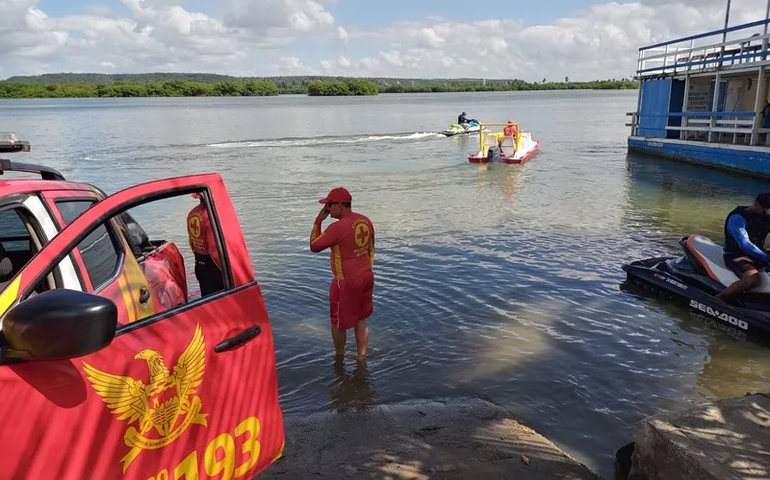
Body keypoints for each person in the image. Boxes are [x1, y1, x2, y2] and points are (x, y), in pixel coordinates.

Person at [310, 187, 375, 360]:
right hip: (367, 276)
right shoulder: (365, 221)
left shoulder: (337, 227)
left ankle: (339, 358)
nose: (328, 209)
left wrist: (318, 221)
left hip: (346, 281)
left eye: (329, 205)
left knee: (338, 323)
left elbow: (314, 246)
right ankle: (361, 358)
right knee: (361, 319)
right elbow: (370, 249)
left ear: (339, 205)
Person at [716, 192, 770, 302]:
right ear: (756, 204)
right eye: (766, 210)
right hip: (738, 255)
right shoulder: (738, 218)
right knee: (753, 280)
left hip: (758, 254)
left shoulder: (765, 217)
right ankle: (719, 299)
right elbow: (744, 244)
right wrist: (767, 257)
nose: (767, 213)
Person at [187, 193, 224, 297]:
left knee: (207, 301)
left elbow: (191, 242)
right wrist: (227, 271)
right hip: (213, 268)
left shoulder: (192, 213)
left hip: (199, 265)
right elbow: (214, 250)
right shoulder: (211, 216)